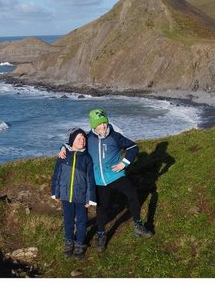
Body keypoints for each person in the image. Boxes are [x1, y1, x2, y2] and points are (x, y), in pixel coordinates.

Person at [60, 107, 153, 250]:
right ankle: (101, 234)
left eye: (104, 123)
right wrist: (63, 147)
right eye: (99, 124)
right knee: (103, 207)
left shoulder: (115, 136)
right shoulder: (88, 138)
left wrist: (124, 163)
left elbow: (133, 147)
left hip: (115, 176)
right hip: (98, 180)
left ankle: (138, 225)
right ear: (93, 126)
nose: (103, 126)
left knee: (132, 195)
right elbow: (73, 143)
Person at [50, 127, 96, 258]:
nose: (82, 141)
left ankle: (80, 243)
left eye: (84, 138)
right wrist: (55, 192)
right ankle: (69, 242)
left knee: (81, 221)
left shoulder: (87, 158)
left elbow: (90, 180)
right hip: (65, 195)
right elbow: (57, 174)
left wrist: (90, 198)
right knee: (68, 220)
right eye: (79, 138)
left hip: (81, 196)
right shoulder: (63, 156)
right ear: (72, 141)